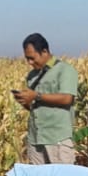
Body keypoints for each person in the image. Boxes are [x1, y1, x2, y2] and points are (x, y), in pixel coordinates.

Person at [14, 33, 78, 164]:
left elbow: (67, 99)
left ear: (44, 51)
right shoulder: (32, 75)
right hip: (35, 138)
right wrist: (25, 101)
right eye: (27, 59)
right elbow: (35, 107)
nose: (30, 62)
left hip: (56, 138)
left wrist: (36, 95)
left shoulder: (64, 70)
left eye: (32, 58)